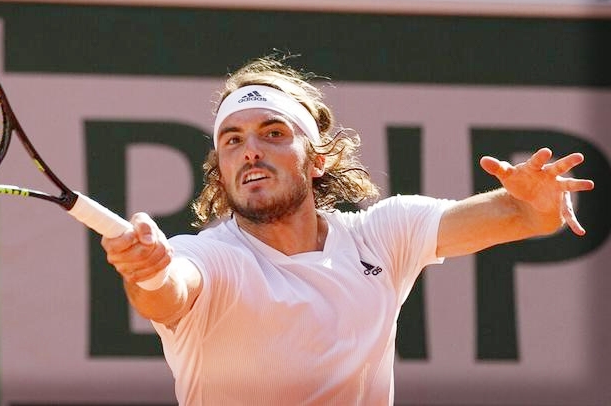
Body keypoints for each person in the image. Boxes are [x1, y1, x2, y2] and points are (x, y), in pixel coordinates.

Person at [101, 56, 594, 405]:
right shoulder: (209, 258)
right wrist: (147, 271)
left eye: (272, 133)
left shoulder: (380, 236)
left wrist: (538, 201)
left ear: (316, 161)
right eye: (232, 140)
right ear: (221, 167)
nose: (250, 150)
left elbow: (525, 216)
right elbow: (169, 290)